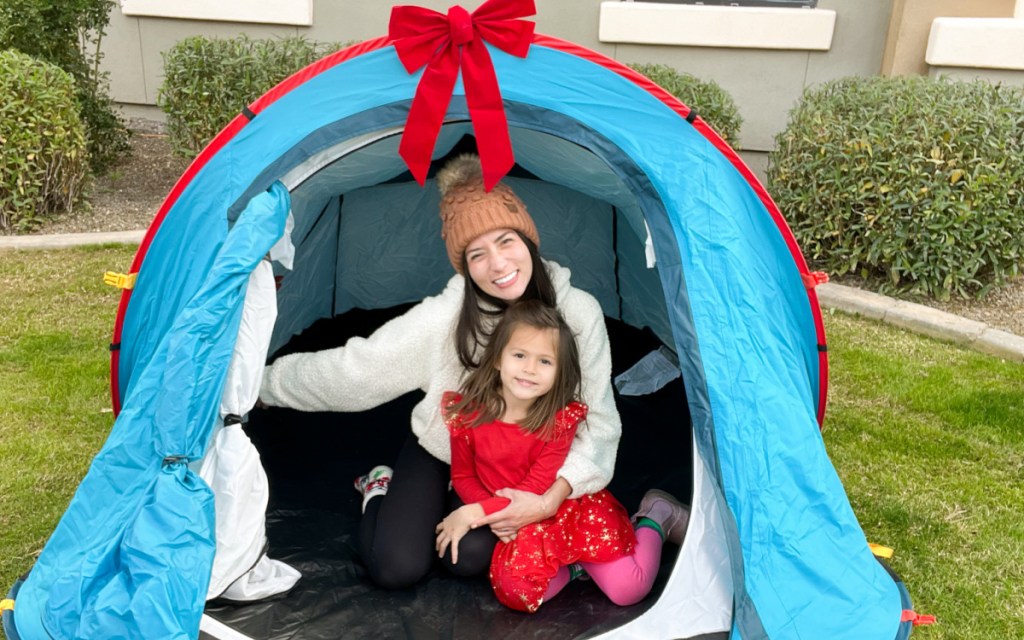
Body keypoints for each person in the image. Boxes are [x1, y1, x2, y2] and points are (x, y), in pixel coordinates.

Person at [259, 153, 622, 588]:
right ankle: (379, 487)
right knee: (396, 567)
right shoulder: (447, 317)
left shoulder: (579, 313)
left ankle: (462, 505)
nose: (499, 264)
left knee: (468, 557)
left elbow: (600, 424)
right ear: (464, 265)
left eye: (506, 240)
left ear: (528, 240)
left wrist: (547, 499)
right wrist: (261, 384)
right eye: (477, 254)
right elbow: (357, 371)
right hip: (449, 445)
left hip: (524, 462)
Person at [436, 300, 689, 613]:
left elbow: (536, 485)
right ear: (498, 359)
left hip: (569, 510)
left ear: (559, 373)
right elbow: (463, 475)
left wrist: (476, 513)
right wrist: (485, 509)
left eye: (545, 361)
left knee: (629, 589)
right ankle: (576, 568)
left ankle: (656, 516)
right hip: (521, 519)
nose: (530, 368)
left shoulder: (558, 420)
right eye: (519, 355)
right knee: (517, 592)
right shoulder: (466, 413)